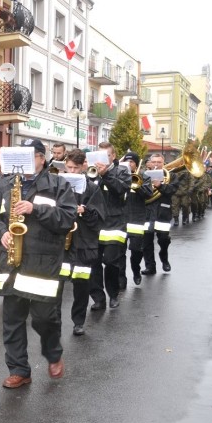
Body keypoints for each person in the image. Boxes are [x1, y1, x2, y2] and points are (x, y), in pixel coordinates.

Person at [0, 139, 77, 388]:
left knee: (43, 318)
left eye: (29, 156)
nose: (22, 162)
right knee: (12, 320)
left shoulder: (58, 184)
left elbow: (66, 219)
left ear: (41, 159)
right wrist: (0, 232)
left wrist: (35, 209)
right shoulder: (5, 185)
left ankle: (53, 353)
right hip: (13, 263)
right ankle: (19, 370)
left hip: (43, 263)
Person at [58, 149, 105, 336]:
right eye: (68, 167)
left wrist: (84, 210)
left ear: (84, 166)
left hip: (84, 243)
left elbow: (99, 219)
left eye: (75, 168)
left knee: (81, 285)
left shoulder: (92, 188)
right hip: (61, 243)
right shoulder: (58, 185)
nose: (71, 171)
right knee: (57, 284)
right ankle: (54, 321)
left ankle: (78, 321)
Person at [89, 141, 131, 311]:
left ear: (113, 156)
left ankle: (113, 294)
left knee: (111, 261)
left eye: (105, 155)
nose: (101, 160)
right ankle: (98, 298)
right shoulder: (91, 172)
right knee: (94, 263)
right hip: (94, 222)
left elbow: (121, 189)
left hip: (115, 222)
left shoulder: (122, 171)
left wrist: (105, 174)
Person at [119, 151, 153, 289]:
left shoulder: (144, 176)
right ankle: (121, 278)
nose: (129, 164)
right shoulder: (119, 175)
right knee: (119, 252)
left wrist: (138, 186)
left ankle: (136, 270)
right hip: (121, 218)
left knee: (136, 250)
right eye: (126, 162)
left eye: (131, 162)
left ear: (136, 163)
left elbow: (148, 194)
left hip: (137, 219)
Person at [142, 153, 178, 275]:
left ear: (163, 163)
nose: (156, 164)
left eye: (159, 162)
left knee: (164, 240)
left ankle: (164, 258)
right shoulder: (143, 175)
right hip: (147, 212)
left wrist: (160, 185)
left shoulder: (171, 175)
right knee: (146, 241)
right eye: (154, 162)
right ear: (150, 163)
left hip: (163, 212)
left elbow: (173, 190)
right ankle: (150, 266)